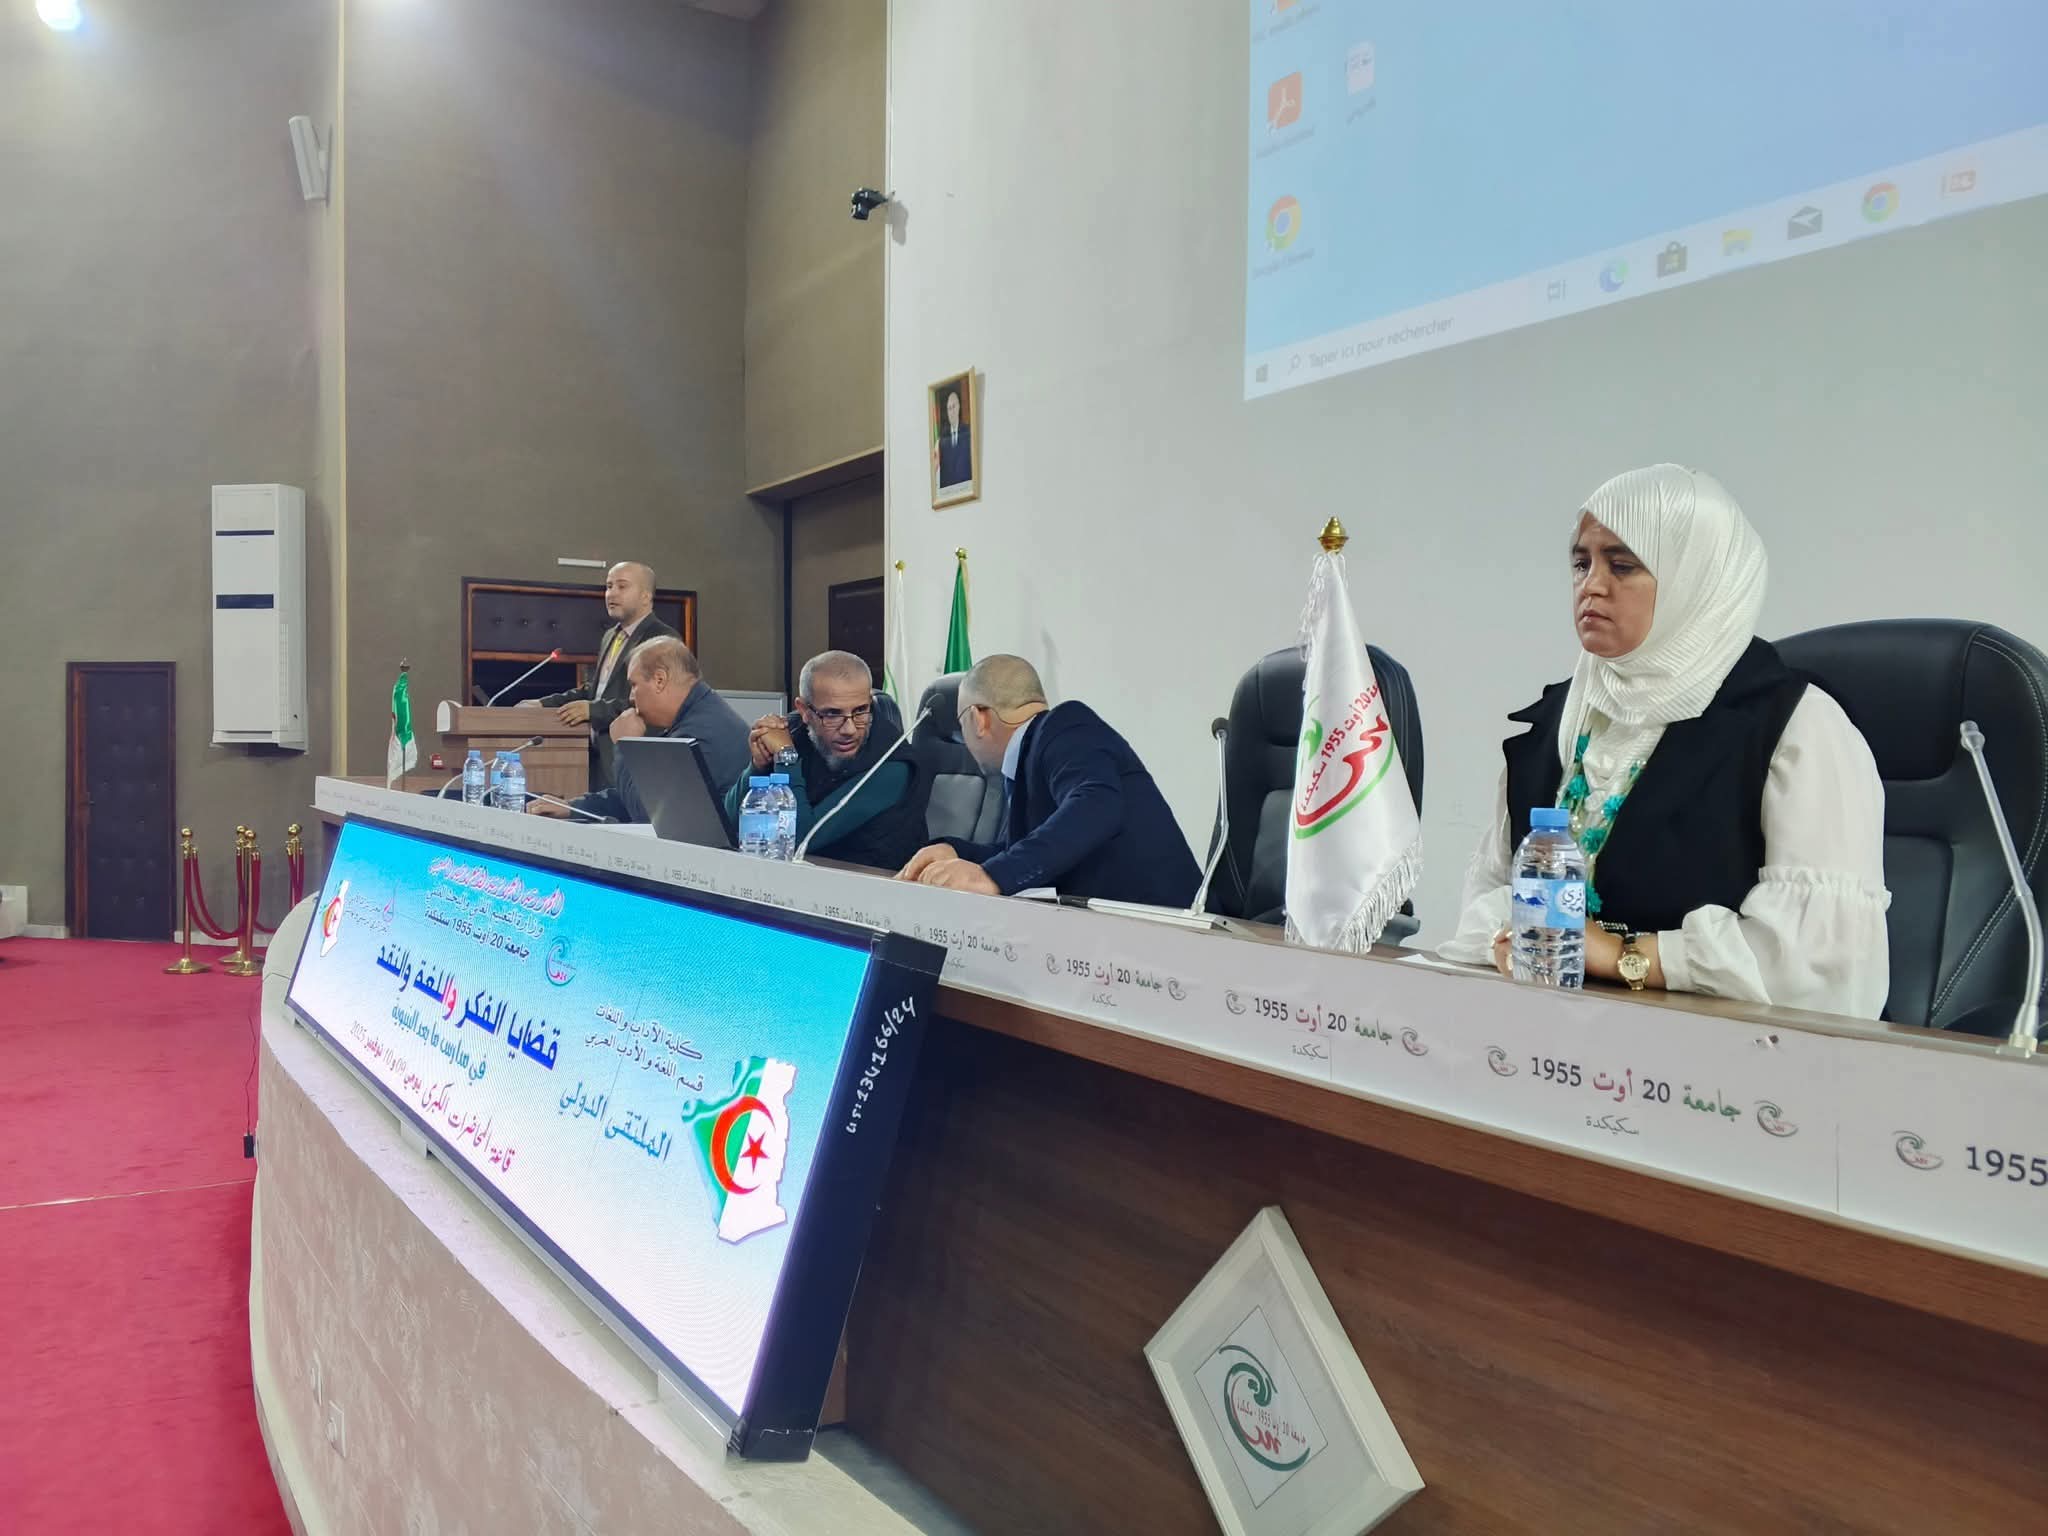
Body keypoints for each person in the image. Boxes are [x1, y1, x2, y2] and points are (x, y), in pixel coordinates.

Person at [1439, 465, 1891, 1017]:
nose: (1591, 585)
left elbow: (1818, 967)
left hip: (1721, 1052)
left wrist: (1626, 958)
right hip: (1552, 1038)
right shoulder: (1558, 722)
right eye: (1581, 563)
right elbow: (1487, 900)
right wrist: (1504, 940)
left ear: (1697, 577)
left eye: (1622, 565)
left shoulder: (1796, 728)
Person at [897, 654, 1200, 906]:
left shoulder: (1065, 725)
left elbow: (1096, 805)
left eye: (961, 724)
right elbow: (1023, 851)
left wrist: (992, 876)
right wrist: (955, 852)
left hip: (1169, 932)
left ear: (979, 718)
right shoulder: (1034, 753)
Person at [723, 651, 930, 870]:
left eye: (860, 711)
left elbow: (800, 840)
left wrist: (786, 757)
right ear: (804, 711)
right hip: (802, 877)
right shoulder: (794, 731)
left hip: (874, 883)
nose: (849, 729)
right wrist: (758, 766)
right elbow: (726, 825)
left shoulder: (893, 764)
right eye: (832, 714)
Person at [531, 638, 749, 823]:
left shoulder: (700, 733)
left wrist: (626, 746)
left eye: (634, 685)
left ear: (659, 680)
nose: (631, 697)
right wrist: (573, 807)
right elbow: (645, 795)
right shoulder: (696, 715)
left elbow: (649, 815)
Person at [528, 561, 679, 786]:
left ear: (646, 596)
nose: (611, 594)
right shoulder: (611, 636)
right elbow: (596, 690)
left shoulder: (662, 639)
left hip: (633, 759)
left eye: (622, 586)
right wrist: (543, 704)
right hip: (595, 755)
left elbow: (656, 704)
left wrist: (593, 710)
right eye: (608, 586)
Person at [936, 387, 972, 488]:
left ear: (958, 407)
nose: (951, 411)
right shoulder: (942, 439)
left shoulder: (968, 432)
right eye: (949, 408)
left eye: (953, 407)